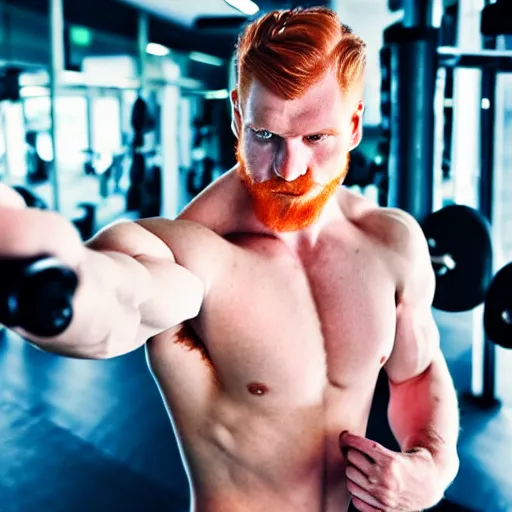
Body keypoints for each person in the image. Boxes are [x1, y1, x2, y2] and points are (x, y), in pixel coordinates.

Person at [0, 7, 459, 512]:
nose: (290, 168)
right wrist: (53, 274)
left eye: (315, 138)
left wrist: (433, 464)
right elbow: (122, 300)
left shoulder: (392, 241)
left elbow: (417, 372)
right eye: (266, 136)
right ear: (239, 115)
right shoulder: (197, 249)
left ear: (353, 126)